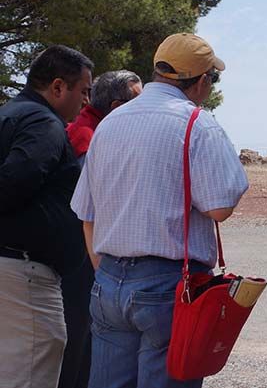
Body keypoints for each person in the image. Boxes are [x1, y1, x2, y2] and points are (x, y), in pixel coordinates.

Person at [71, 33, 248, 388]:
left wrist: (104, 270)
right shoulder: (197, 124)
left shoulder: (109, 123)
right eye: (212, 79)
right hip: (169, 284)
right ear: (200, 82)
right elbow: (220, 208)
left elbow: (85, 211)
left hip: (108, 279)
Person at [0, 45, 94, 387]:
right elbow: (16, 179)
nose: (86, 101)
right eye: (83, 91)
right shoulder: (43, 123)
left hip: (14, 271)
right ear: (58, 87)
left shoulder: (12, 113)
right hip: (24, 274)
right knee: (31, 369)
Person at [59, 70, 143, 388]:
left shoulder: (96, 128)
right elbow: (90, 206)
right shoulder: (88, 136)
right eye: (139, 98)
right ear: (118, 105)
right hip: (82, 254)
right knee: (80, 341)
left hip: (85, 250)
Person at [67, 70, 143, 164]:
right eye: (138, 102)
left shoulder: (91, 123)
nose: (144, 108)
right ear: (117, 107)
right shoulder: (88, 140)